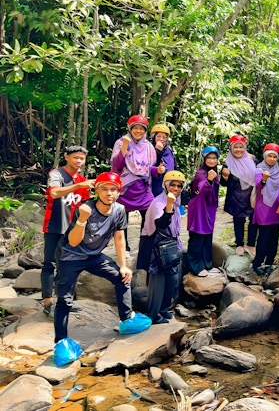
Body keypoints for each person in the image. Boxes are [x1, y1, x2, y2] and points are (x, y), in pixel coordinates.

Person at [54, 172, 146, 342]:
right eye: (104, 189)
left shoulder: (119, 210)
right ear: (97, 190)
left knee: (122, 278)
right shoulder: (85, 208)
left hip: (94, 256)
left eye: (113, 189)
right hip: (70, 256)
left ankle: (126, 319)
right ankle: (61, 341)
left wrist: (123, 265)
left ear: (119, 192)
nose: (109, 193)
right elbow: (73, 242)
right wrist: (82, 219)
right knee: (64, 300)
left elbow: (119, 238)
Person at [42, 146, 93, 317]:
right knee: (50, 263)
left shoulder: (82, 180)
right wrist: (79, 185)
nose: (79, 161)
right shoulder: (56, 174)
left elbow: (86, 205)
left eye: (82, 158)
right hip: (54, 225)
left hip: (73, 229)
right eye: (75, 157)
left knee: (70, 264)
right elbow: (54, 193)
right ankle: (48, 302)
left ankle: (65, 299)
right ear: (66, 157)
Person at [110, 115, 165, 253]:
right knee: (122, 220)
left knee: (150, 216)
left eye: (142, 128)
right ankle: (124, 248)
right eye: (135, 128)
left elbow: (148, 169)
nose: (138, 131)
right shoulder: (121, 142)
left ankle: (145, 246)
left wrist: (157, 170)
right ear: (130, 128)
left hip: (143, 188)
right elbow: (117, 166)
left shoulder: (148, 147)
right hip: (125, 187)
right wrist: (125, 147)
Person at [137, 171, 186, 324]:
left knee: (171, 279)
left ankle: (164, 309)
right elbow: (161, 224)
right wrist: (169, 206)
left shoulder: (176, 202)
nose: (176, 188)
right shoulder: (160, 202)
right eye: (173, 185)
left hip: (169, 245)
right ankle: (153, 314)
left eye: (179, 186)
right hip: (155, 246)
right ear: (166, 185)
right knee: (157, 281)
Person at [220, 134, 258, 257]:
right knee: (238, 221)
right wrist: (225, 176)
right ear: (231, 148)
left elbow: (259, 173)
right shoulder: (227, 163)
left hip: (251, 195)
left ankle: (251, 244)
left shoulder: (252, 159)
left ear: (244, 147)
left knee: (254, 220)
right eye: (235, 147)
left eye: (241, 147)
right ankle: (239, 244)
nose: (238, 150)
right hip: (236, 196)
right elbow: (223, 183)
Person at [186, 146, 220, 277]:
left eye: (214, 158)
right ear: (204, 159)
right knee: (197, 235)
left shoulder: (214, 171)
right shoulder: (201, 173)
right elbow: (201, 190)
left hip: (210, 208)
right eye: (209, 158)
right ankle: (196, 266)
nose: (212, 160)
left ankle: (207, 264)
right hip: (199, 208)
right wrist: (209, 180)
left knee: (207, 235)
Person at [251, 143, 279, 275]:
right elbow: (258, 187)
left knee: (274, 237)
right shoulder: (259, 169)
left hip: (276, 207)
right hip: (263, 207)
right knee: (263, 237)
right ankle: (257, 263)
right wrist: (263, 179)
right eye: (269, 156)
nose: (272, 159)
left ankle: (270, 262)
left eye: (274, 157)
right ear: (265, 156)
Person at [150, 124, 177, 198]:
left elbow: (173, 165)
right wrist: (157, 151)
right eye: (158, 136)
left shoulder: (169, 150)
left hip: (168, 182)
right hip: (154, 183)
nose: (161, 139)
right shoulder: (149, 148)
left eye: (164, 137)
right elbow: (150, 164)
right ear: (154, 137)